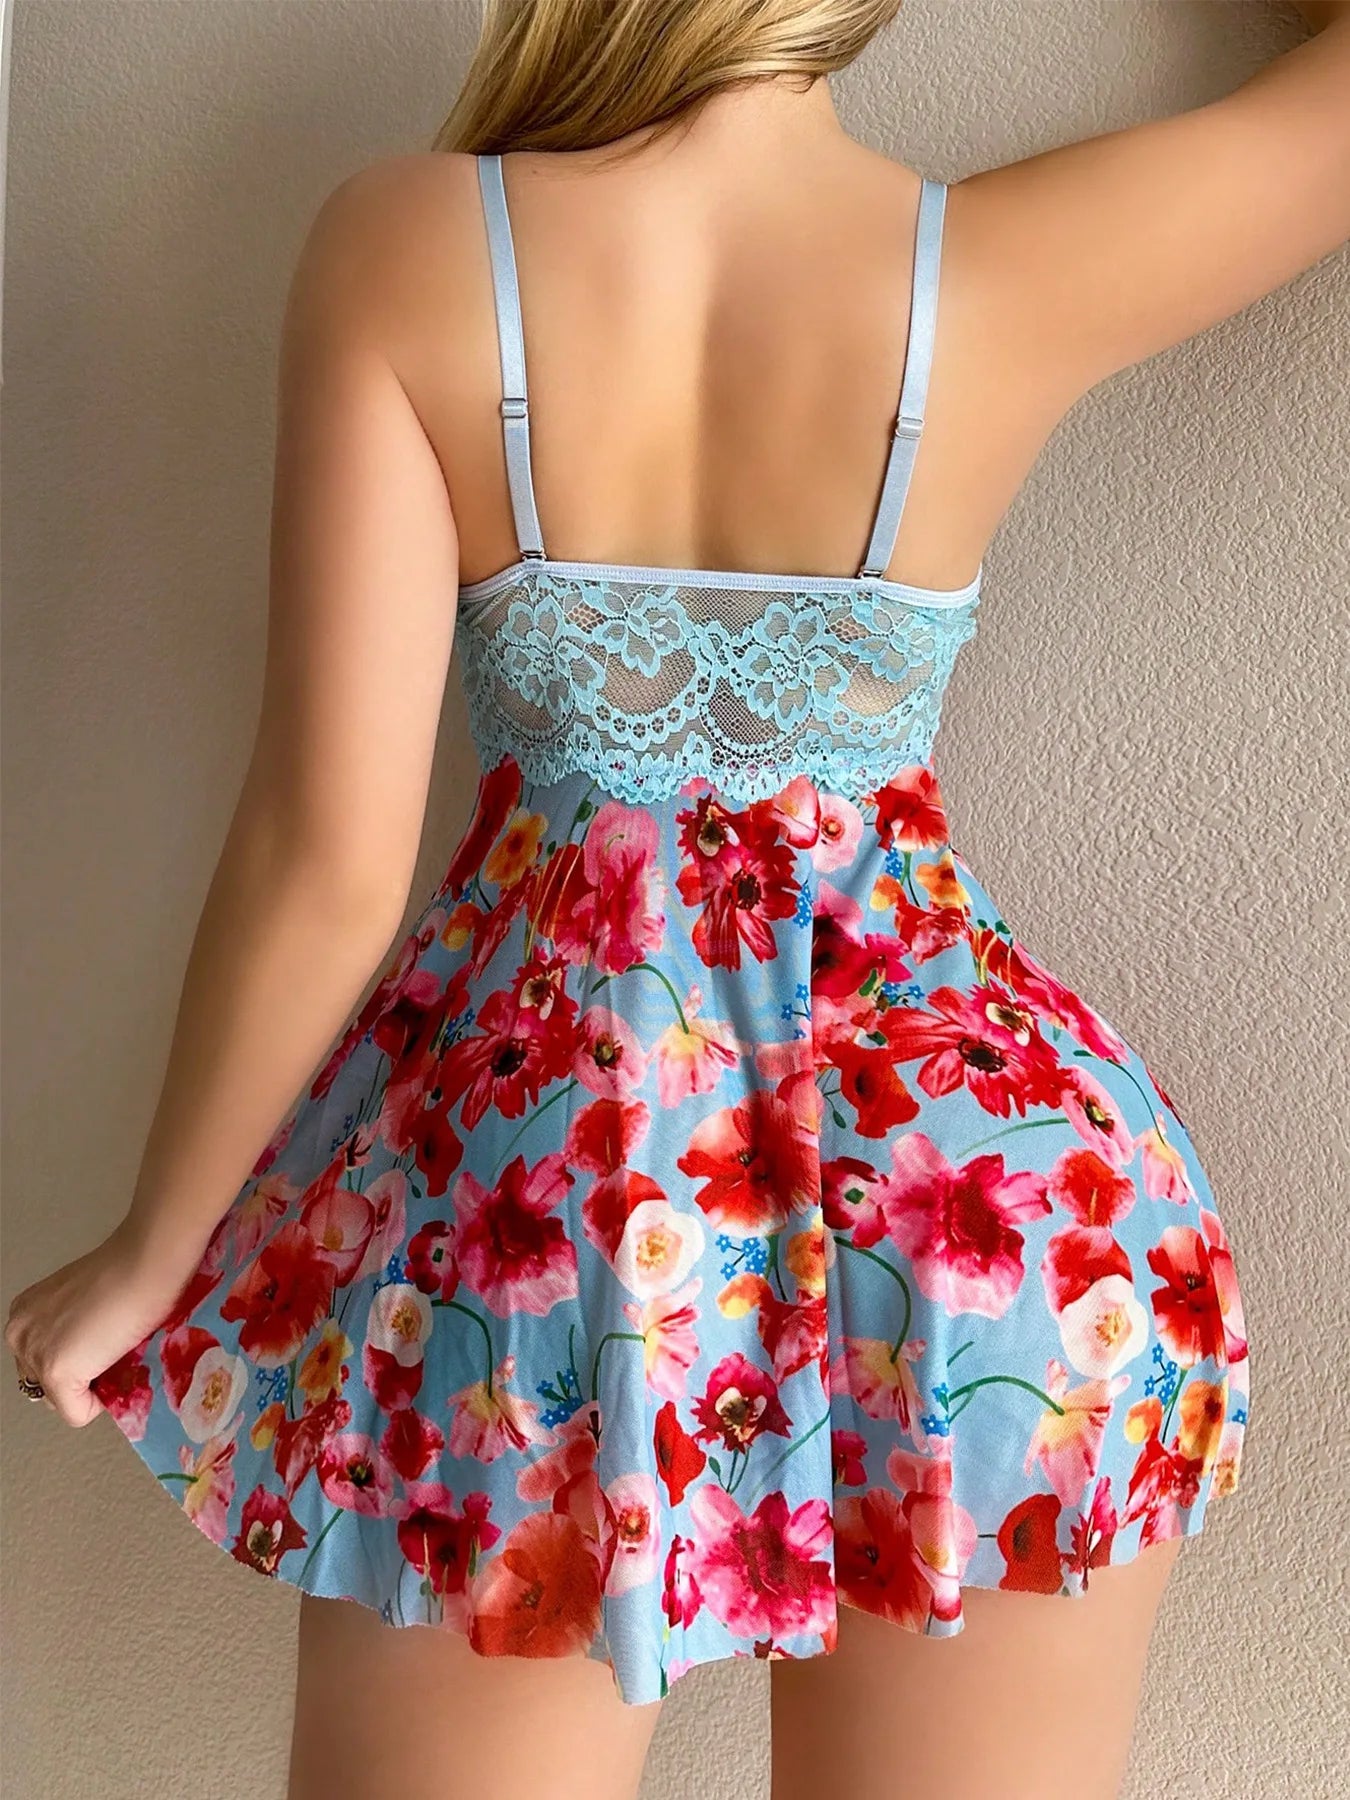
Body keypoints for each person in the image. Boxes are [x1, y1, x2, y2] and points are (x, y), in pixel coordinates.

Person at [7, 2, 1347, 1795]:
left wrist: (152, 1254)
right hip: (1003, 1217)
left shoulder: (415, 240)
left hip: (547, 1217)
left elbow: (328, 855)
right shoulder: (1001, 264)